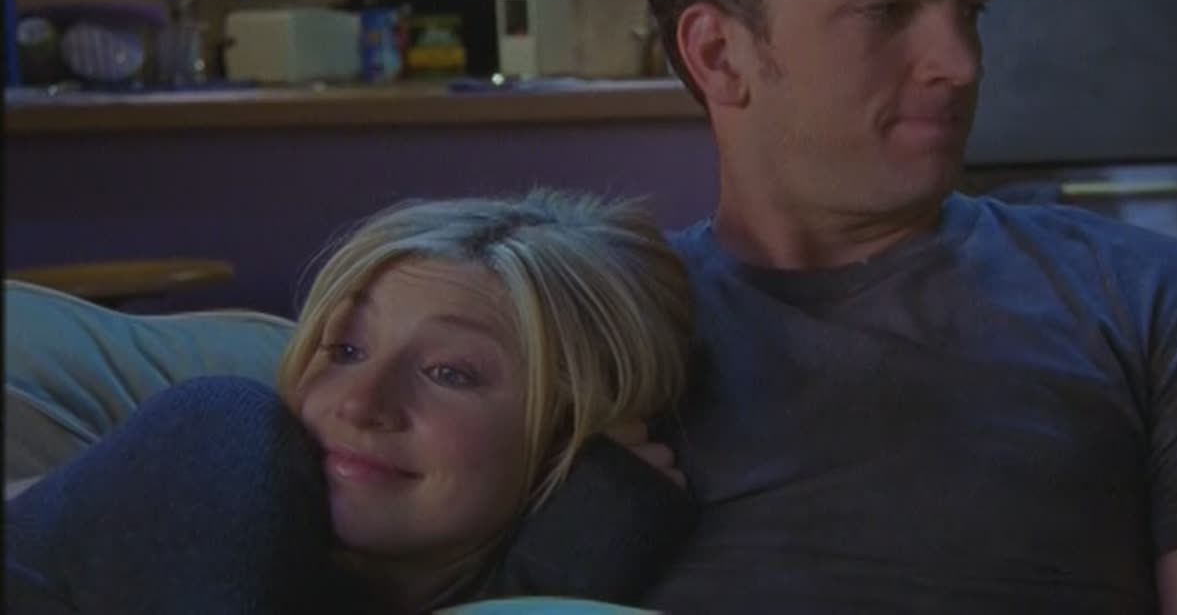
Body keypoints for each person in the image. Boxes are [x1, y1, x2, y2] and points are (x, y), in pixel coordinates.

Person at [635, 0, 1177, 613]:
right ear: (720, 54)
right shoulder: (596, 340)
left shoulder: (1158, 308)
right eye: (887, 11)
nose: (961, 63)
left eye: (970, 11)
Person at [5, 190, 698, 614]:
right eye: (343, 350)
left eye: (449, 372)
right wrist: (576, 549)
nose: (361, 404)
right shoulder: (218, 443)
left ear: (569, 433)